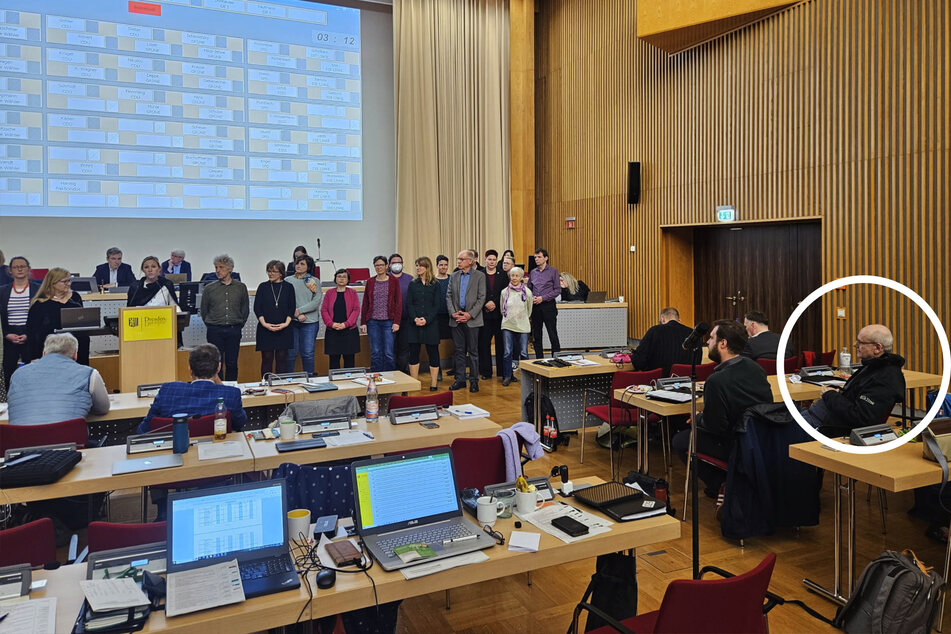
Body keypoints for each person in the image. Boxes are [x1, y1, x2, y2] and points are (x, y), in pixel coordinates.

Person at [671, 320, 772, 492]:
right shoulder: (756, 369)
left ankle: (722, 485)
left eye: (711, 338)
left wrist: (697, 417)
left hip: (733, 443)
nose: (708, 342)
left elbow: (715, 426)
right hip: (760, 439)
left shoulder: (716, 380)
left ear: (723, 344)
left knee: (681, 440)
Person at [800, 324, 905, 433]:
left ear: (877, 348)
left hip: (822, 426)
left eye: (860, 342)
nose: (855, 345)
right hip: (819, 416)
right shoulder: (873, 367)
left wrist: (830, 395)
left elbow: (860, 417)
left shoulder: (884, 378)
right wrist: (838, 394)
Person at [138, 344, 247, 433]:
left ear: (190, 369)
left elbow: (144, 430)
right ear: (218, 368)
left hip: (175, 452)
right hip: (217, 453)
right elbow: (239, 423)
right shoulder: (231, 394)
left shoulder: (168, 390)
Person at [7, 333, 110, 425]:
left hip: (20, 443)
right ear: (75, 355)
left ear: (43, 353)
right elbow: (102, 408)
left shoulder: (17, 374)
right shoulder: (89, 374)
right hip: (68, 443)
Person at [199, 254, 249, 381]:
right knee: (215, 363)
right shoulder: (209, 289)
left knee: (232, 362)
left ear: (230, 269)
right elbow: (204, 310)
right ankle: (217, 387)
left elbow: (245, 310)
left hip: (234, 329)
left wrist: (238, 324)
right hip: (215, 329)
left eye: (221, 267)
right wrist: (212, 324)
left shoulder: (241, 287)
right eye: (216, 267)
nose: (217, 270)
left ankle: (232, 386)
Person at [26, 268, 89, 365]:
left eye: (69, 280)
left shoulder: (75, 297)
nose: (68, 284)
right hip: (51, 349)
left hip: (76, 348)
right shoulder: (40, 303)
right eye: (64, 281)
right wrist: (34, 356)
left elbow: (81, 321)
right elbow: (32, 332)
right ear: (53, 283)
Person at [447, 250, 486, 392]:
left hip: (472, 320)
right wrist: (453, 313)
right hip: (456, 319)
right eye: (458, 259)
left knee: (473, 352)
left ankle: (474, 381)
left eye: (461, 259)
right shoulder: (454, 276)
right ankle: (460, 379)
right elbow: (449, 296)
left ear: (470, 261)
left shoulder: (480, 276)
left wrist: (469, 314)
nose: (458, 261)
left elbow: (482, 298)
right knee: (458, 351)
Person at [1, 256, 40, 387]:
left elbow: (42, 316)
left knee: (33, 372)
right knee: (9, 372)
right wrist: (6, 334)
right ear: (10, 271)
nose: (19, 269)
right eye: (15, 267)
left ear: (28, 269)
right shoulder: (2, 291)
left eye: (22, 266)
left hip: (31, 335)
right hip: (9, 336)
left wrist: (29, 334)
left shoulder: (38, 289)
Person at [254, 260, 296, 378]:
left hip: (284, 328)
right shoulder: (263, 287)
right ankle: (266, 384)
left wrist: (286, 324)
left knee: (282, 358)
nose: (270, 274)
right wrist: (265, 324)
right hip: (265, 328)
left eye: (274, 271)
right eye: (269, 271)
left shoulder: (288, 287)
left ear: (281, 273)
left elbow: (291, 307)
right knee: (266, 358)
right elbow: (257, 308)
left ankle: (279, 384)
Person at [360, 256, 401, 372]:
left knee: (388, 352)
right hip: (373, 322)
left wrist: (397, 322)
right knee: (375, 352)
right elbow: (365, 303)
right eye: (376, 265)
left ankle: (390, 379)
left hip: (389, 322)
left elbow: (398, 302)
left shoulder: (394, 281)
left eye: (381, 265)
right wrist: (363, 322)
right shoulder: (370, 281)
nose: (379, 268)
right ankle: (376, 378)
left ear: (387, 266)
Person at [406, 257, 442, 391]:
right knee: (413, 352)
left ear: (427, 267)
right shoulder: (413, 284)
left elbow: (436, 305)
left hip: (430, 323)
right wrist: (415, 318)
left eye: (421, 266)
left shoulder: (435, 284)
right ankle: (415, 382)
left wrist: (426, 319)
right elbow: (409, 304)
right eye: (416, 266)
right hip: (414, 323)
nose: (418, 268)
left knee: (433, 352)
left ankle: (433, 383)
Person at [631, 307, 699, 376]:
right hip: (688, 382)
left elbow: (639, 361)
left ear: (662, 319)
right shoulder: (692, 334)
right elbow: (697, 362)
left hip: (657, 381)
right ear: (679, 320)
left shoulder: (654, 331)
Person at [285, 255, 322, 376]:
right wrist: (296, 315)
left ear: (308, 267)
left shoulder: (314, 281)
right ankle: (288, 380)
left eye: (302, 264)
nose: (298, 266)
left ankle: (310, 378)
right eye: (297, 263)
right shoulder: (288, 280)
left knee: (307, 353)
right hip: (292, 321)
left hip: (310, 322)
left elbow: (316, 301)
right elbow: (286, 301)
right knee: (291, 353)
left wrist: (300, 311)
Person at [500, 266, 533, 386]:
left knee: (524, 353)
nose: (514, 278)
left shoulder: (527, 292)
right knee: (507, 352)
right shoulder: (504, 292)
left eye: (517, 276)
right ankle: (508, 376)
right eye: (512, 275)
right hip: (507, 325)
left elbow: (529, 310)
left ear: (521, 277)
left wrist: (521, 319)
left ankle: (527, 378)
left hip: (523, 325)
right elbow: (501, 309)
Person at [321, 269, 360, 370]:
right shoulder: (329, 293)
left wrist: (346, 324)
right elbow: (324, 310)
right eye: (339, 276)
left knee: (349, 360)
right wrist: (331, 324)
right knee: (334, 361)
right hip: (333, 331)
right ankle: (336, 383)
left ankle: (349, 383)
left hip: (349, 331)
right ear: (335, 279)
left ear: (348, 280)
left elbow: (356, 310)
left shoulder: (353, 293)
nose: (341, 279)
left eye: (344, 277)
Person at [526, 248, 561, 358]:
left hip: (548, 305)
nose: (536, 259)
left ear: (546, 258)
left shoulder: (553, 271)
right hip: (536, 306)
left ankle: (556, 358)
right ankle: (539, 359)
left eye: (539, 257)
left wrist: (543, 298)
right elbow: (529, 288)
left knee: (552, 334)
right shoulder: (533, 272)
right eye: (535, 257)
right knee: (537, 335)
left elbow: (557, 290)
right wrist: (532, 297)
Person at [479, 249, 506, 380]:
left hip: (499, 315)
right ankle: (486, 372)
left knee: (501, 344)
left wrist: (494, 303)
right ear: (485, 260)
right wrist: (485, 303)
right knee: (484, 344)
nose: (492, 262)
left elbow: (505, 293)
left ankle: (501, 371)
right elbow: (477, 293)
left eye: (494, 259)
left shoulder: (503, 275)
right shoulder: (479, 274)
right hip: (484, 315)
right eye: (489, 259)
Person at [388, 253, 412, 374]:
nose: (397, 265)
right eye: (394, 262)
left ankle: (403, 372)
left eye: (399, 262)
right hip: (388, 320)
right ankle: (392, 372)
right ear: (389, 265)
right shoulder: (384, 278)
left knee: (404, 347)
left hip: (406, 319)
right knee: (390, 348)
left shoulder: (410, 279)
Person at [434, 254, 452, 380]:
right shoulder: (433, 280)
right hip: (436, 318)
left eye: (445, 265)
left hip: (451, 316)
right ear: (437, 266)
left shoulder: (452, 279)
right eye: (441, 265)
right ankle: (437, 370)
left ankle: (456, 369)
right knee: (435, 345)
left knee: (458, 344)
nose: (443, 267)